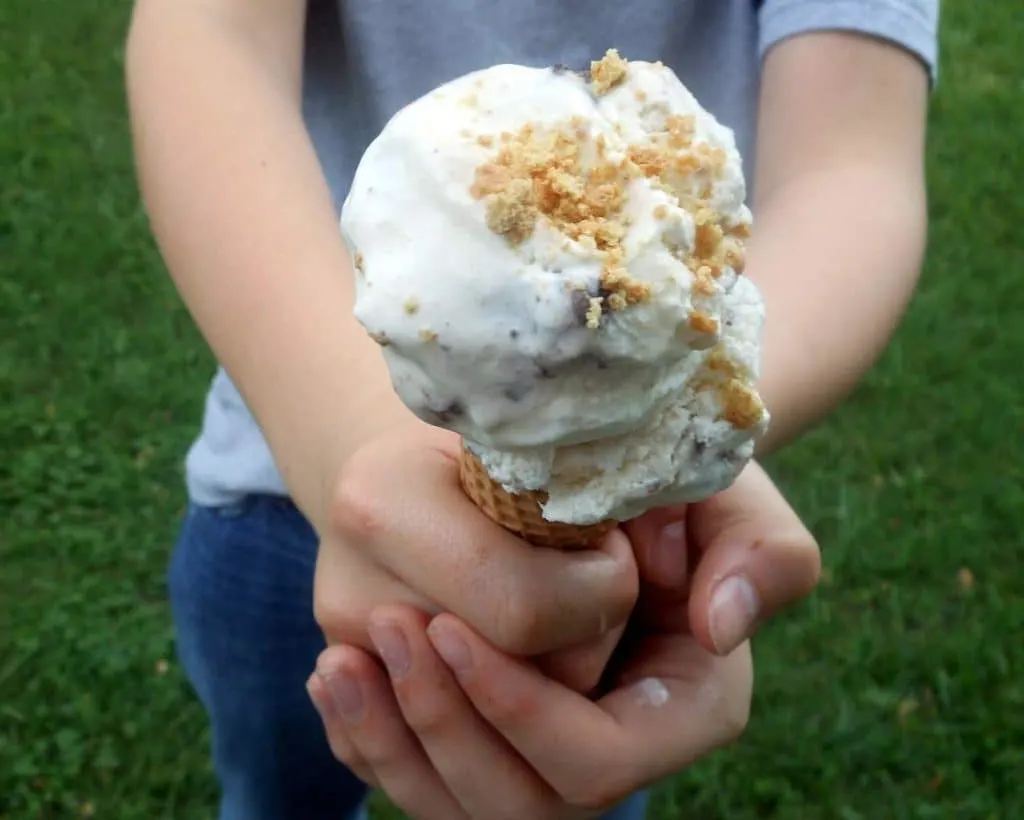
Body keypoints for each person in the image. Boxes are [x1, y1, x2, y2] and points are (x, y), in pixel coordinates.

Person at [124, 0, 938, 818]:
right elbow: (206, 37)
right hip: (273, 464)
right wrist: (347, 436)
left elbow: (853, 165)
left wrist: (688, 422)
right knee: (280, 788)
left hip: (617, 562)